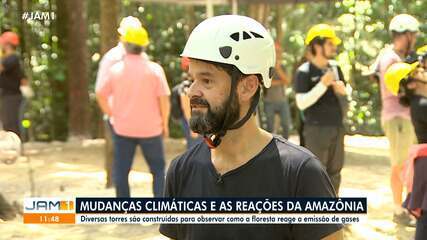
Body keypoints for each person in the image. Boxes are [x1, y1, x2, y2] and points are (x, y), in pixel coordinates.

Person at [159, 15, 343, 240]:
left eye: (207, 81)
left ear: (247, 87)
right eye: (192, 79)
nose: (192, 91)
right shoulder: (181, 171)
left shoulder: (301, 174)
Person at [96, 26, 170, 198]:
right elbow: (164, 100)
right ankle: (161, 209)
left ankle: (124, 210)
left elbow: (100, 94)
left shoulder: (115, 70)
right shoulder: (155, 70)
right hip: (151, 129)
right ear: (144, 46)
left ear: (124, 44)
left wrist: (112, 114)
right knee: (158, 170)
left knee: (121, 171)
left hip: (123, 129)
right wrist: (164, 123)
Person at [293, 24, 347, 194]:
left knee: (335, 173)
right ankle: (316, 217)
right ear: (317, 45)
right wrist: (322, 85)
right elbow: (301, 103)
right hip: (315, 129)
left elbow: (345, 92)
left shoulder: (335, 67)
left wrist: (344, 91)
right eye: (330, 44)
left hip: (337, 126)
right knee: (316, 174)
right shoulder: (304, 71)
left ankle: (332, 215)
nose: (334, 47)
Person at [377, 14, 419, 226]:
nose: (415, 38)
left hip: (404, 117)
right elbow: (402, 89)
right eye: (413, 34)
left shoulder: (400, 58)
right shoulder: (390, 59)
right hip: (397, 118)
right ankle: (398, 209)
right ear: (405, 35)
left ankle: (407, 206)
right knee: (399, 164)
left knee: (407, 164)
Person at [95, 16, 143, 188]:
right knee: (121, 164)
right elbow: (100, 90)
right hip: (117, 118)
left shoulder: (143, 57)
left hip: (142, 119)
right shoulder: (112, 58)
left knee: (154, 164)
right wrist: (112, 115)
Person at [384, 52, 427, 239]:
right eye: (419, 71)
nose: (424, 71)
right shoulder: (422, 104)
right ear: (411, 83)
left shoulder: (420, 103)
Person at [170, 57, 201, 149]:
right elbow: (186, 107)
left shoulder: (194, 82)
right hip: (193, 120)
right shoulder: (187, 85)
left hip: (197, 120)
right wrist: (192, 127)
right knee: (195, 150)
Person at [0, 31, 27, 138]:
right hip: (6, 95)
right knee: (7, 123)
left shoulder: (13, 58)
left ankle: (16, 147)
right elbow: (23, 78)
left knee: (11, 123)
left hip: (12, 96)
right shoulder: (8, 58)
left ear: (7, 44)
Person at [263, 43, 292, 139]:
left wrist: (278, 69)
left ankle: (286, 145)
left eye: (280, 51)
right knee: (270, 127)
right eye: (276, 51)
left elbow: (288, 81)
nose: (278, 53)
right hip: (269, 101)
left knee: (286, 125)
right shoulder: (266, 66)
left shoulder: (282, 67)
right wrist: (280, 81)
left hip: (282, 100)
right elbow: (266, 83)